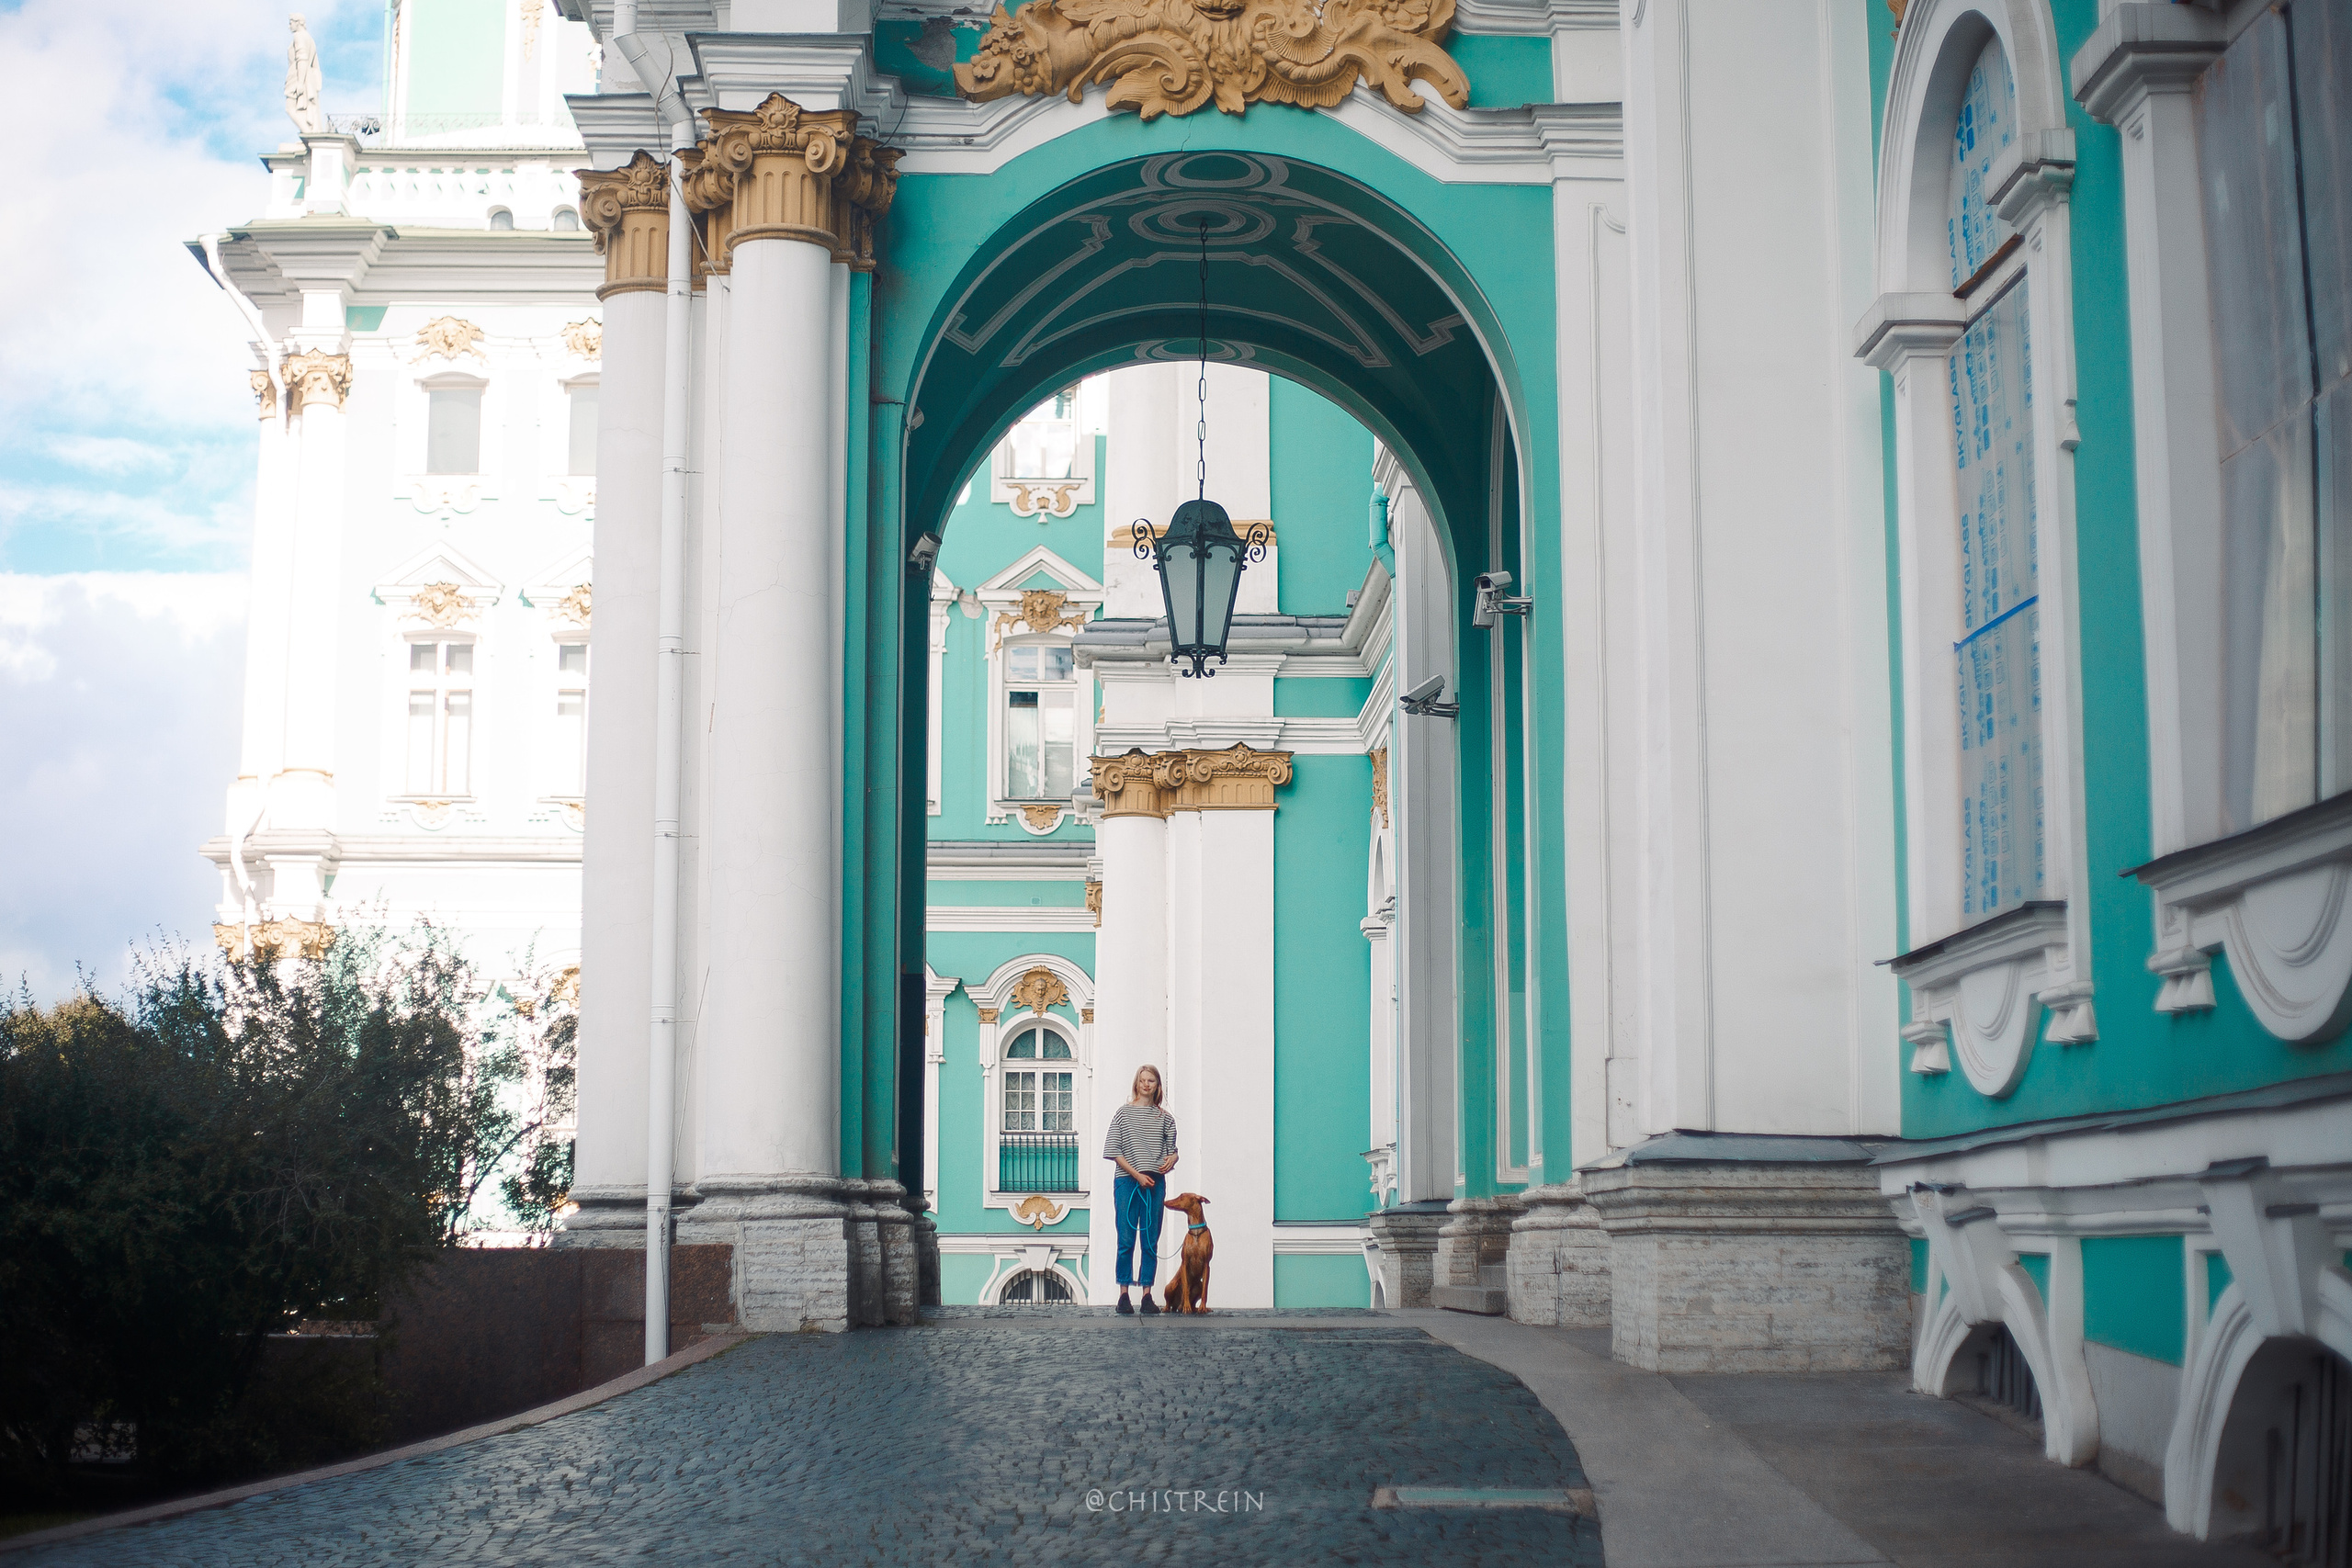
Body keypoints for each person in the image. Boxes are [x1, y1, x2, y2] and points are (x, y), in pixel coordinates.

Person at [1102, 1065, 1179, 1315]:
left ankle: (1147, 1294)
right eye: (1143, 1080)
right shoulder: (1123, 1114)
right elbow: (1114, 1150)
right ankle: (1123, 1294)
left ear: (1158, 1086)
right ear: (1136, 1083)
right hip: (1127, 1181)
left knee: (1150, 1239)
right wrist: (1137, 1175)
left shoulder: (1165, 1118)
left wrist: (1174, 1159)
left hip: (1154, 1183)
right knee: (1125, 1238)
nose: (1147, 1084)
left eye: (1152, 1081)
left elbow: (1172, 1149)